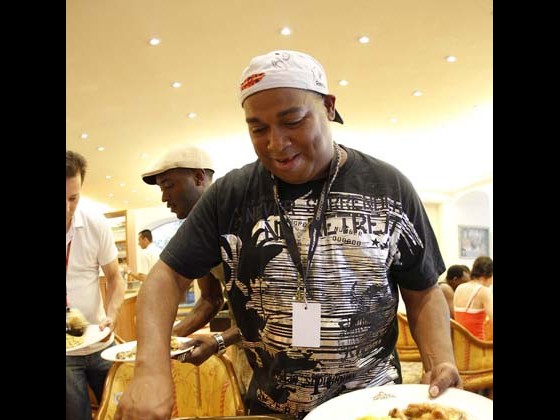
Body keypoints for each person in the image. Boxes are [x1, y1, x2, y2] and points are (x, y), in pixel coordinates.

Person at [115, 49, 460, 420]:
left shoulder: (389, 186)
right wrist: (150, 369)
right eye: (258, 128)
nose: (276, 144)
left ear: (328, 107)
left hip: (373, 405)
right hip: (272, 408)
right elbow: (165, 277)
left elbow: (423, 290)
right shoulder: (230, 194)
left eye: (292, 120)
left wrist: (439, 360)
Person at [140, 144, 227, 362]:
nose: (164, 198)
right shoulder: (196, 235)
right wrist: (168, 338)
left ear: (199, 178)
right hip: (249, 346)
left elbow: (277, 307)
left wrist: (221, 340)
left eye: (168, 186)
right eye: (161, 189)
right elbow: (210, 298)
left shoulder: (239, 217)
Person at [66, 150, 126, 420]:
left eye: (73, 198)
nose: (67, 208)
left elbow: (115, 278)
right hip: (66, 354)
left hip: (100, 341)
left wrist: (112, 315)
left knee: (118, 411)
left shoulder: (94, 224)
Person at [453, 256, 493, 340]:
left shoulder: (459, 288)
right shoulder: (483, 291)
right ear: (489, 274)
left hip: (459, 345)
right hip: (477, 347)